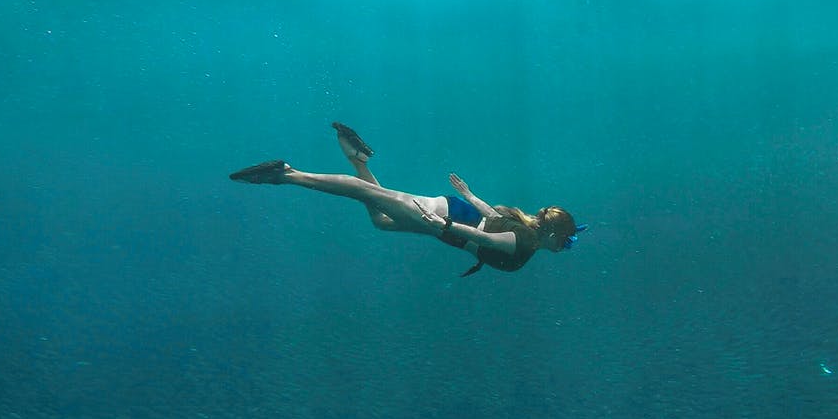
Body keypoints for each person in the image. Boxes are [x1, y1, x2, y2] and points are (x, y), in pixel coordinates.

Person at [229, 123, 586, 276]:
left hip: (452, 220)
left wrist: (468, 196)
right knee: (365, 192)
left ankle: (358, 158)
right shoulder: (524, 242)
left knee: (380, 219)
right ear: (554, 236)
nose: (565, 247)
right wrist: (446, 222)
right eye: (566, 241)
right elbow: (487, 237)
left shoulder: (525, 233)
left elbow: (495, 219)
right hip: (450, 221)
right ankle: (287, 173)